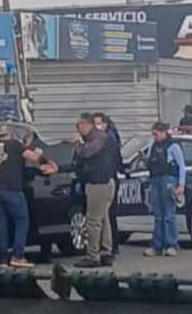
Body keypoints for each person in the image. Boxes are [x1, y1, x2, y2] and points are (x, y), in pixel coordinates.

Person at [0, 125, 57, 268]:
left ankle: (3, 259)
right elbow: (33, 157)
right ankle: (18, 256)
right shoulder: (14, 145)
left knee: (1, 225)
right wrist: (48, 162)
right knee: (22, 221)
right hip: (12, 189)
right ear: (11, 134)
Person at [74, 113, 119, 268]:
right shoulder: (105, 137)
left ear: (86, 124)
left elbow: (86, 153)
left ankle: (93, 256)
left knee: (93, 221)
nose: (78, 129)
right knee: (103, 219)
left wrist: (78, 144)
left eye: (78, 126)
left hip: (99, 182)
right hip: (107, 181)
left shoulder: (99, 138)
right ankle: (106, 253)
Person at [145, 122, 187, 257]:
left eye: (156, 134)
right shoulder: (153, 146)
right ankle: (156, 245)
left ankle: (171, 244)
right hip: (155, 180)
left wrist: (181, 185)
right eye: (153, 134)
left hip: (168, 180)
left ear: (163, 132)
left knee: (169, 214)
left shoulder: (173, 146)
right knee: (158, 215)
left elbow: (182, 166)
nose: (154, 137)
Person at [94, 112, 123, 255]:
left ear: (105, 124)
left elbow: (113, 159)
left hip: (107, 178)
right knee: (107, 213)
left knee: (107, 213)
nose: (96, 127)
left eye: (99, 123)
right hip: (108, 177)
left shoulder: (108, 138)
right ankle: (111, 245)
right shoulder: (108, 136)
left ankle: (109, 246)